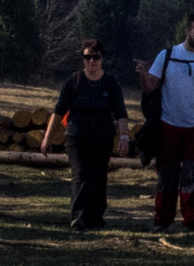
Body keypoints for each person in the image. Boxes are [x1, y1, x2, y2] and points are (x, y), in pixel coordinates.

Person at [135, 14, 194, 231]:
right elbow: (150, 87)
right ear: (187, 31)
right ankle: (162, 221)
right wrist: (143, 74)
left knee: (193, 178)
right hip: (168, 126)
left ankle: (193, 222)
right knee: (166, 178)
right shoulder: (167, 55)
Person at [44, 39, 130, 230]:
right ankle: (79, 218)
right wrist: (47, 138)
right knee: (81, 175)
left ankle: (96, 218)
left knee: (99, 177)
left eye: (95, 57)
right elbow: (59, 111)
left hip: (102, 137)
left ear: (102, 58)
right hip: (77, 137)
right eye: (87, 57)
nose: (91, 61)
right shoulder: (74, 81)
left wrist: (124, 136)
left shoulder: (110, 83)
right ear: (83, 59)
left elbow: (121, 112)